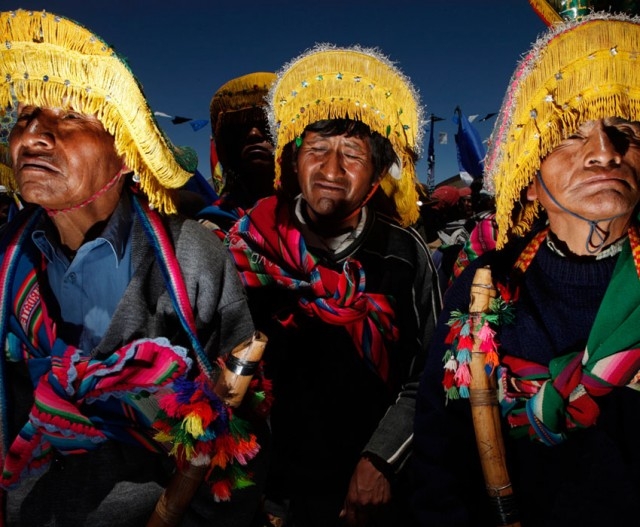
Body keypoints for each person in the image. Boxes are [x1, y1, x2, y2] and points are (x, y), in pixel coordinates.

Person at [0, 9, 267, 526]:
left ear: (126, 152)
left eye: (69, 118)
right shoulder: (6, 262)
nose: (32, 136)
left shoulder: (194, 259)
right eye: (25, 119)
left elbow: (238, 425)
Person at [413, 12, 640, 526]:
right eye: (569, 136)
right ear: (530, 180)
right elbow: (439, 449)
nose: (605, 153)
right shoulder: (485, 287)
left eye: (626, 131)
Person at [225, 44, 441, 527]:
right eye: (317, 149)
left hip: (369, 491)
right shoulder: (246, 246)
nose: (330, 170)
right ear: (293, 159)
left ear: (375, 176)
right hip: (264, 489)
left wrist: (383, 459)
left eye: (353, 154)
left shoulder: (404, 253)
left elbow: (429, 371)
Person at [198, 72, 277, 236]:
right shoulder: (212, 226)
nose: (254, 134)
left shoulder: (323, 210)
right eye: (241, 128)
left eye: (267, 125)